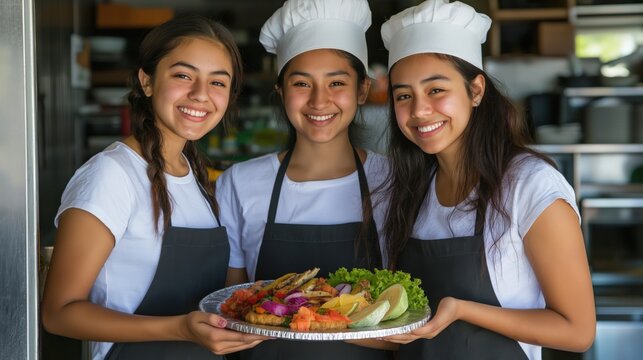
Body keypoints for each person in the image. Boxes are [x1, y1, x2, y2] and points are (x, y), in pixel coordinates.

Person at [378, 0, 596, 359]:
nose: (418, 110)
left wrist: (462, 310)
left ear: (476, 90)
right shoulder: (409, 190)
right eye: (404, 96)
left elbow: (577, 331)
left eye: (436, 90)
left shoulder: (530, 185)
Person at [41, 15, 266, 360]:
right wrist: (178, 328)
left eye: (218, 83)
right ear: (147, 81)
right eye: (183, 75)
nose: (200, 94)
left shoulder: (198, 178)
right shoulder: (111, 175)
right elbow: (59, 314)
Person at [216, 0, 392, 359]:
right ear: (280, 91)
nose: (319, 100)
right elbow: (231, 308)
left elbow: (406, 316)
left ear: (362, 90)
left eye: (337, 82)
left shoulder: (393, 180)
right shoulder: (240, 183)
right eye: (301, 83)